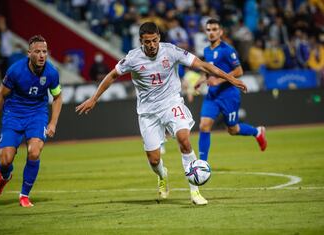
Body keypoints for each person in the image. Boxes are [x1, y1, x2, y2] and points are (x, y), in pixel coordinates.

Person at [76, 22, 246, 205]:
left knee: (184, 139)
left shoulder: (171, 51)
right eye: (147, 42)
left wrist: (229, 78)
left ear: (159, 38)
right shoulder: (133, 58)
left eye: (155, 40)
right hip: (148, 113)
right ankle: (162, 174)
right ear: (141, 41)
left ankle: (194, 191)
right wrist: (94, 98)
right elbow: (111, 76)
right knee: (154, 159)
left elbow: (202, 65)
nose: (151, 45)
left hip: (171, 103)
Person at [0, 35, 63, 207]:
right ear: (29, 53)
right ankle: (5, 177)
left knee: (34, 152)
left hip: (37, 115)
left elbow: (57, 97)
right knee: (5, 160)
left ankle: (24, 195)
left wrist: (52, 123)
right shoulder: (15, 70)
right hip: (13, 115)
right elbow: (0, 96)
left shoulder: (51, 73)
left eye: (44, 51)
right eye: (37, 52)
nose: (42, 55)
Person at [194, 18, 267, 163]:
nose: (211, 33)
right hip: (213, 95)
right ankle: (202, 163)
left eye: (215, 29)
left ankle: (257, 131)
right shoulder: (207, 50)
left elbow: (239, 71)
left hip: (229, 95)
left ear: (221, 32)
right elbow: (209, 69)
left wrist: (219, 80)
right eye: (208, 30)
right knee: (204, 125)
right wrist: (202, 79)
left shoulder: (227, 50)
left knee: (232, 130)